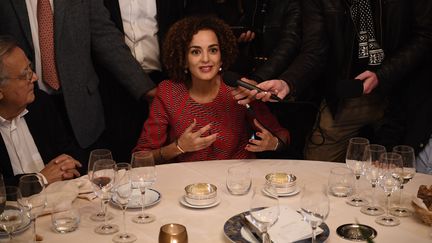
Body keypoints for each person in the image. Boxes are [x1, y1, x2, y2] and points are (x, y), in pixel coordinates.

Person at [236, 0, 432, 162]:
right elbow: (314, 50)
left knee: (398, 170)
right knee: (316, 169)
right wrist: (288, 82)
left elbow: (425, 35)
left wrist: (382, 75)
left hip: (404, 89)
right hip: (351, 92)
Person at [0, 0, 157, 164]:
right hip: (26, 110)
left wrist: (145, 88)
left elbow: (105, 37)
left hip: (83, 110)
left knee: (90, 177)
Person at [133, 16, 289, 163]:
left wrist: (273, 143)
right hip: (190, 185)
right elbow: (139, 158)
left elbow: (283, 136)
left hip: (237, 181)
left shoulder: (240, 89)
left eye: (213, 50)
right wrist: (178, 147)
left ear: (221, 57)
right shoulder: (169, 92)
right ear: (183, 59)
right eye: (195, 52)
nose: (206, 59)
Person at [97, 0, 185, 162]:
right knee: (122, 157)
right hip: (115, 85)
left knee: (170, 152)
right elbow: (101, 35)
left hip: (167, 79)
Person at [0, 36, 81, 186]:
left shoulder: (40, 104)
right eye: (25, 75)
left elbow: (67, 152)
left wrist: (68, 165)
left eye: (30, 68)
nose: (35, 78)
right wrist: (40, 180)